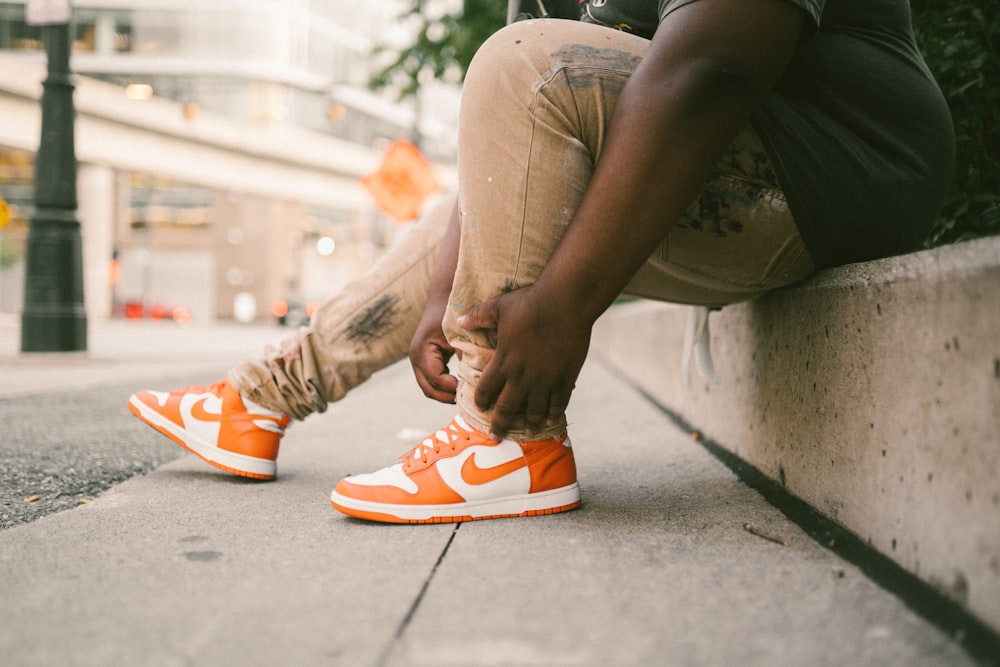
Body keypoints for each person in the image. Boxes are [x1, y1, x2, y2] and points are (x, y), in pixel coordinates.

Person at [129, 0, 954, 524]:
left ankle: (509, 441)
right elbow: (514, 165)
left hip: (842, 178)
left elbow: (713, 66)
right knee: (516, 71)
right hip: (728, 173)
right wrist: (444, 293)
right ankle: (260, 399)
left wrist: (562, 305)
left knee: (525, 60)